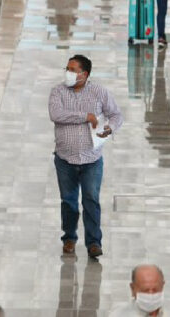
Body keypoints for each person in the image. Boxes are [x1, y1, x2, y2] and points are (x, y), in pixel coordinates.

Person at [48, 55, 123, 258]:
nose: (68, 73)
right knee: (69, 201)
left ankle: (94, 242)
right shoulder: (58, 92)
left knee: (91, 200)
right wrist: (85, 116)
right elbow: (56, 115)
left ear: (85, 74)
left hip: (91, 160)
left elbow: (116, 114)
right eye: (67, 68)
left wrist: (110, 128)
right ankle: (70, 237)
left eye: (73, 70)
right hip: (65, 159)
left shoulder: (99, 92)